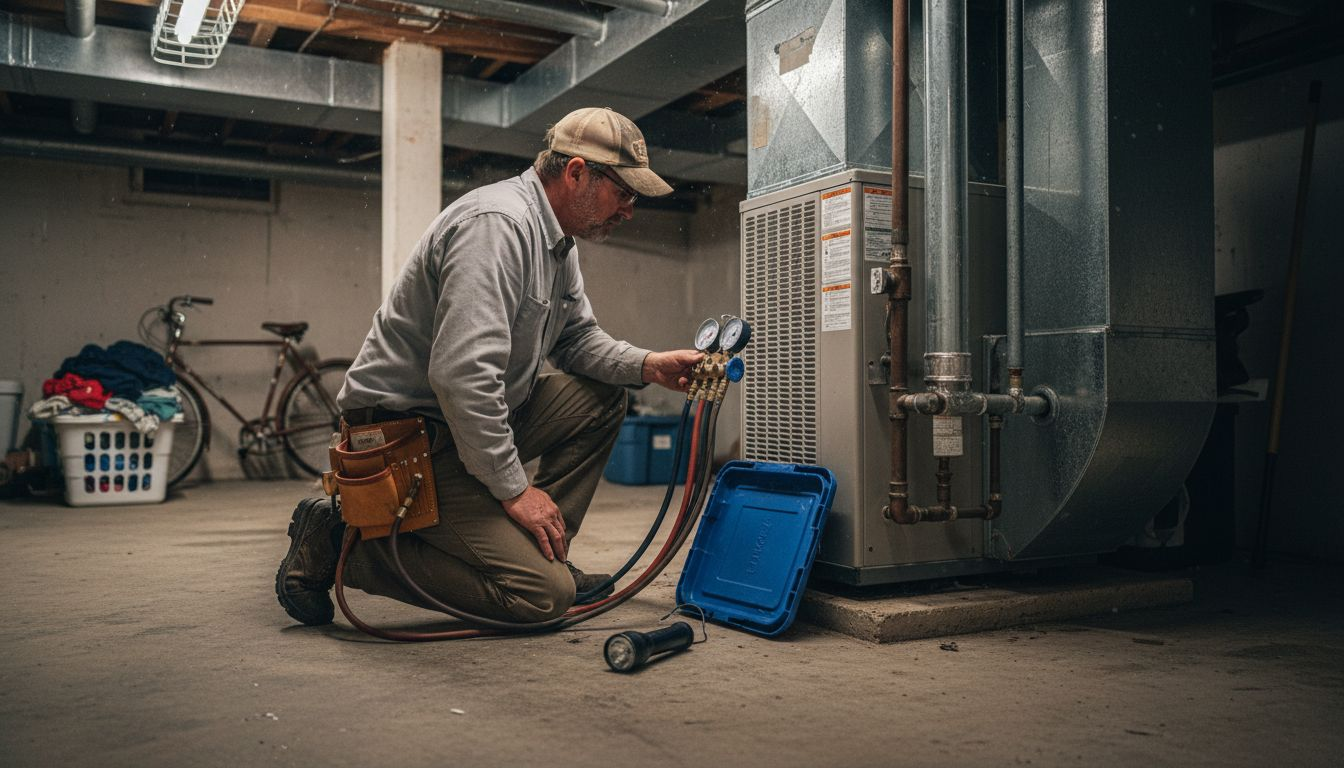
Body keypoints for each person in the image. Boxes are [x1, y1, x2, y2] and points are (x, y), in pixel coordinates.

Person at [275, 107, 702, 627]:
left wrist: (650, 366)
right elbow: (461, 376)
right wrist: (515, 490)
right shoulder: (496, 227)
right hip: (405, 438)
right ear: (576, 174)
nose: (629, 210)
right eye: (624, 192)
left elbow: (576, 339)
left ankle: (547, 553)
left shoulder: (556, 244)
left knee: (603, 396)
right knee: (540, 600)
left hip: (460, 425)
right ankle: (339, 542)